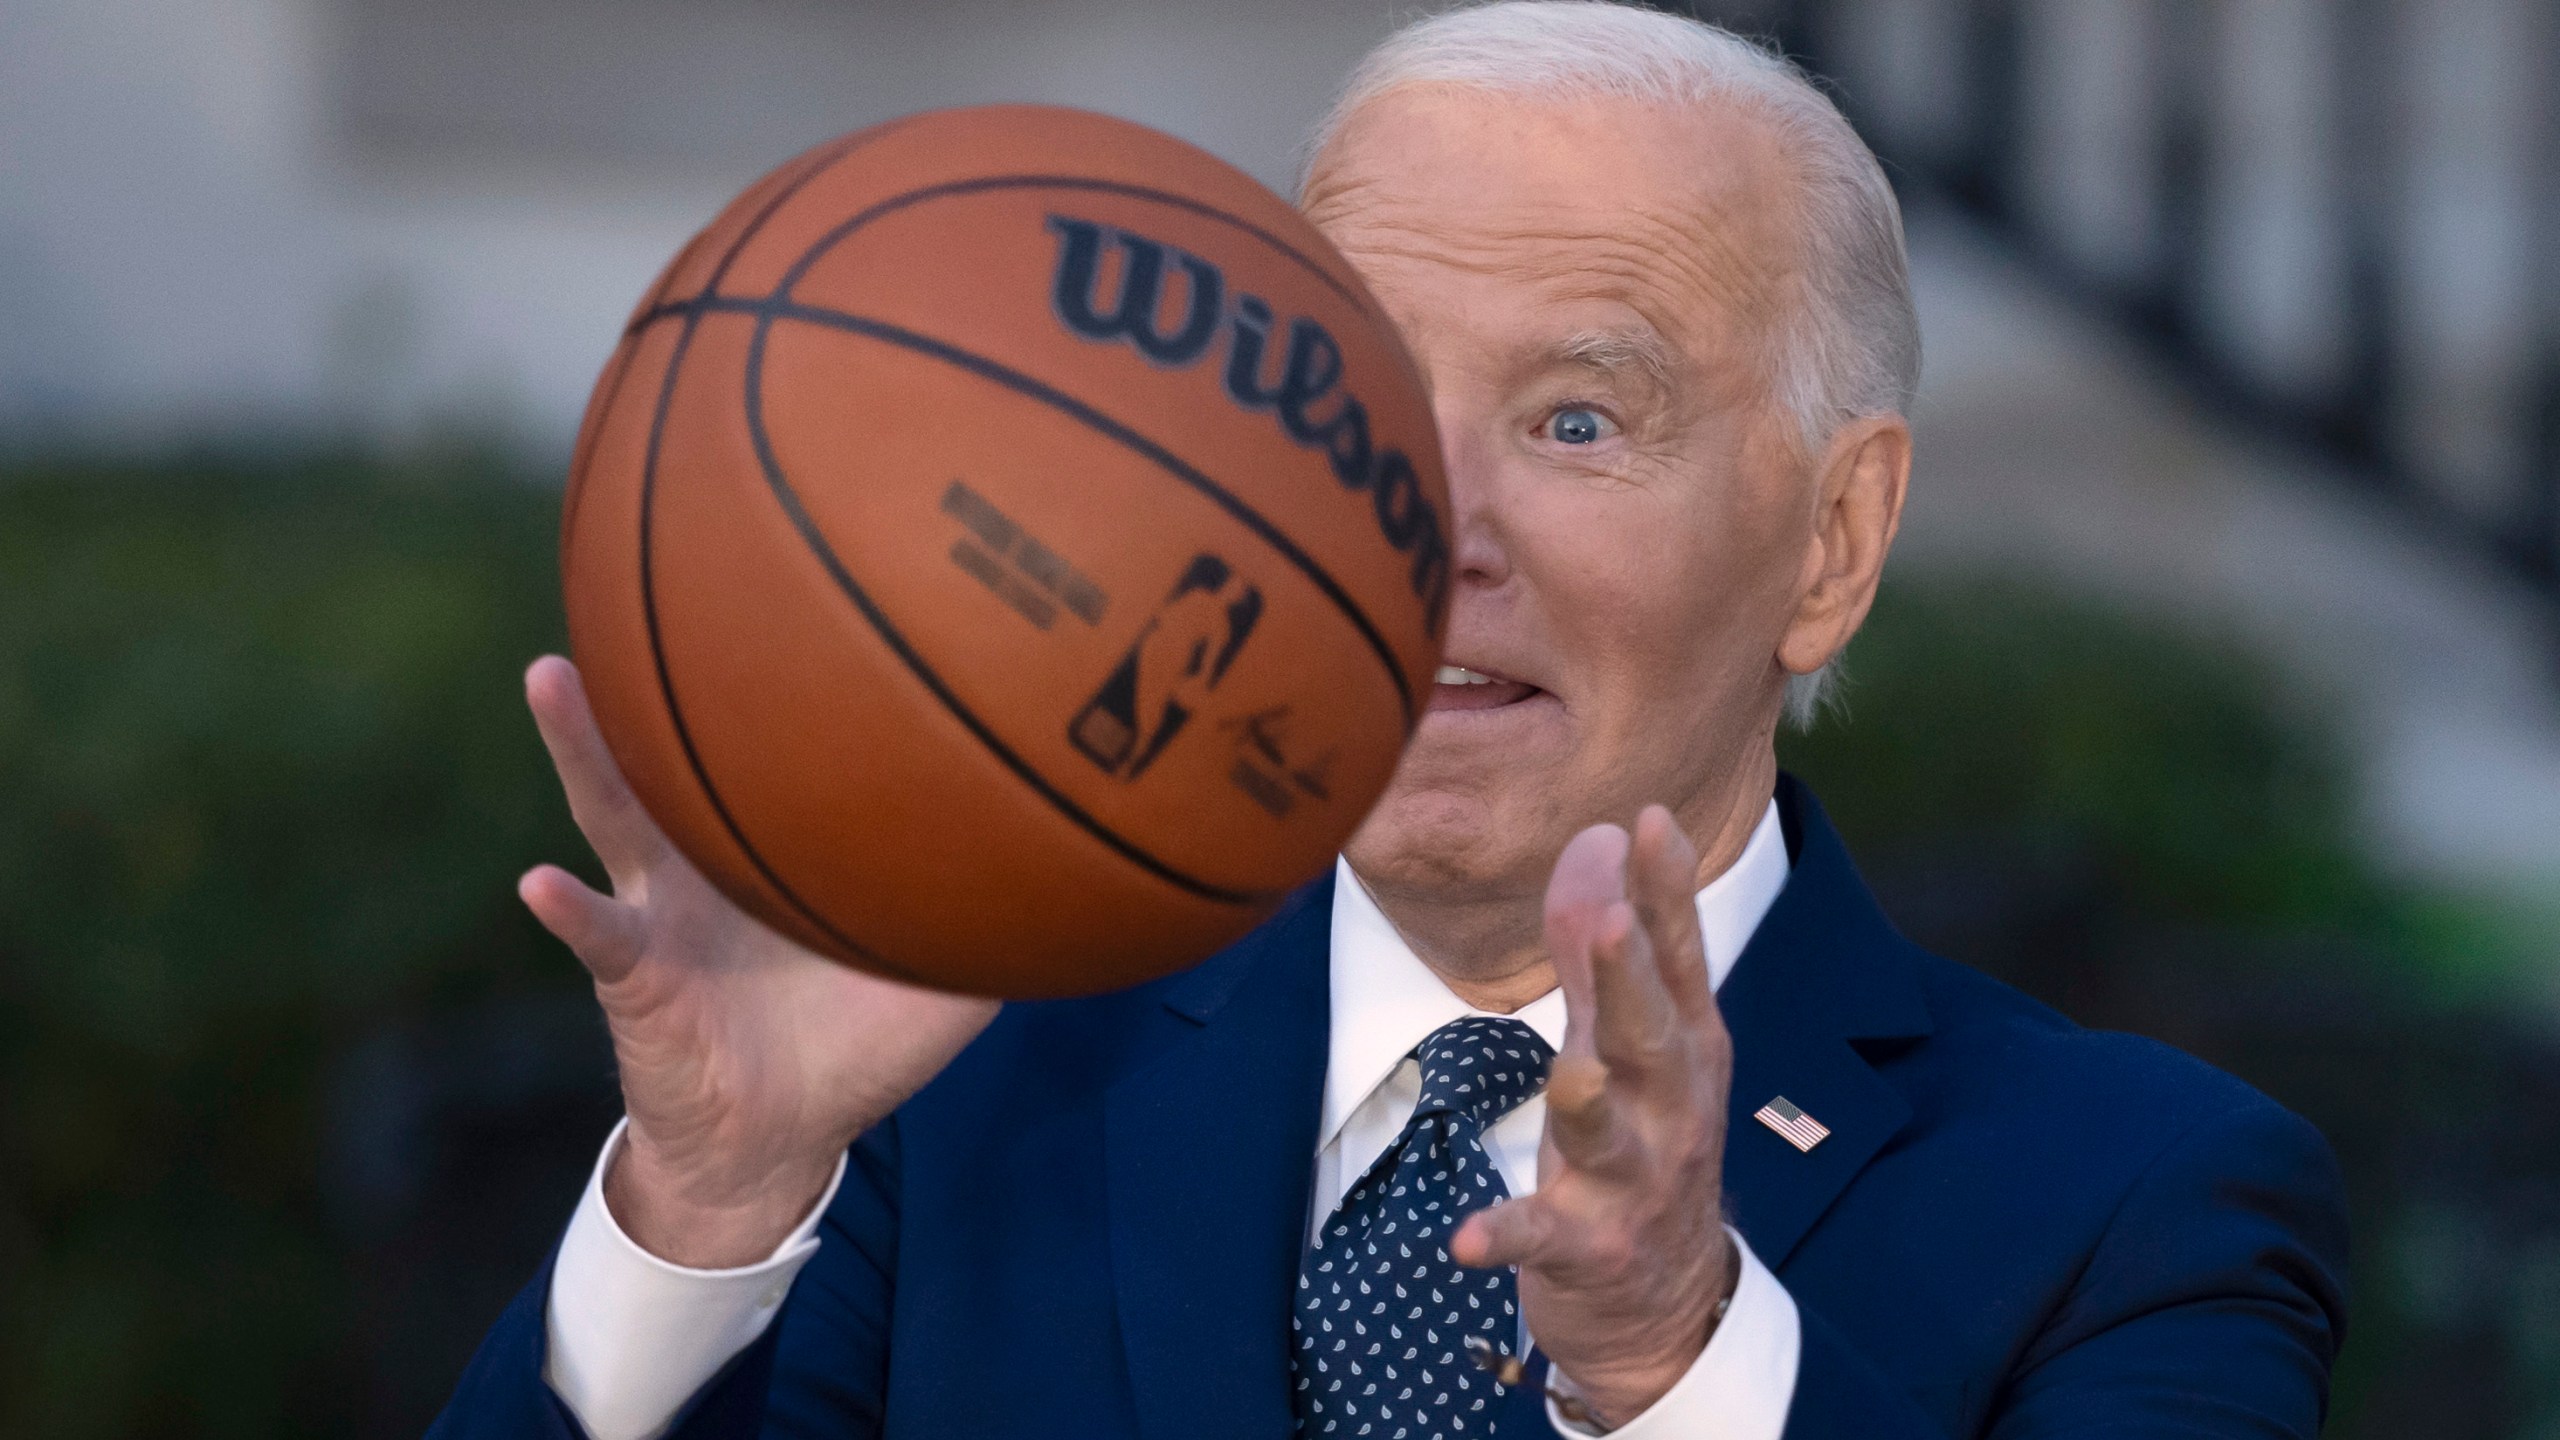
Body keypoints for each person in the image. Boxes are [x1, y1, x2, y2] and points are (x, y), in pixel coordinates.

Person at [432, 4, 2348, 1436]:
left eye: (1576, 419)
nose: (1419, 535)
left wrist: (1677, 1359)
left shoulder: (2139, 1206)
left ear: (1836, 543)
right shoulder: (950, 1099)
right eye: (1340, 409)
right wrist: (706, 1214)